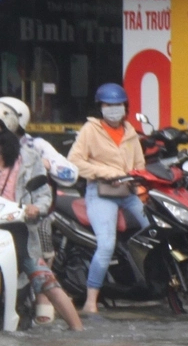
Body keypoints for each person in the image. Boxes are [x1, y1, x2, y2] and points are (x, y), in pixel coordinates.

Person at [64, 84, 147, 316]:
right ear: (101, 107)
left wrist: (139, 182)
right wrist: (106, 172)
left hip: (128, 193)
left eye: (117, 105)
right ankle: (91, 300)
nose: (113, 109)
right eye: (108, 105)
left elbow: (140, 166)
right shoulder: (90, 130)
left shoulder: (131, 132)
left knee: (153, 229)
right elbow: (75, 161)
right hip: (101, 193)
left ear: (125, 107)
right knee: (107, 244)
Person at [0, 125, 82, 330]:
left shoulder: (28, 158)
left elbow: (43, 194)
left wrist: (36, 208)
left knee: (47, 281)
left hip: (21, 232)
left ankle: (78, 330)